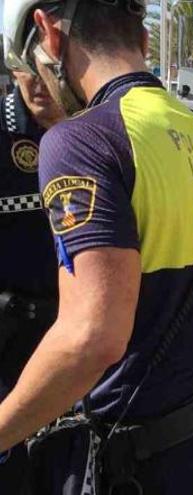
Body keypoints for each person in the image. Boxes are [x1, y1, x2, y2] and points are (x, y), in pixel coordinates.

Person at [0, 1, 193, 494]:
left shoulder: (83, 141)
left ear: (48, 33)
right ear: (145, 41)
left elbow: (92, 337)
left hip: (144, 464)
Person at [0, 68, 64, 494]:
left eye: (51, 70)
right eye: (27, 68)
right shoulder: (4, 128)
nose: (39, 82)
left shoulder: (102, 130)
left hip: (79, 330)